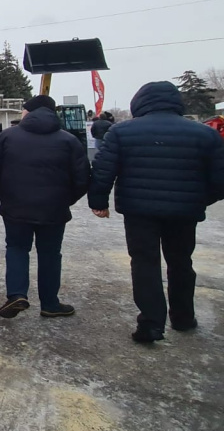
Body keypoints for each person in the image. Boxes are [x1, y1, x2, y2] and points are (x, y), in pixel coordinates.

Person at [88, 81, 224, 343]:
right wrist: (198, 200)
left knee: (144, 264)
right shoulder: (204, 134)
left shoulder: (122, 132)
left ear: (139, 103)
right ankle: (183, 317)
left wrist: (98, 201)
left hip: (139, 212)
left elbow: (103, 170)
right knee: (181, 262)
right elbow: (219, 180)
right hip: (184, 214)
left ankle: (151, 323)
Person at [0, 94, 90, 320]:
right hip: (54, 211)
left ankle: (16, 295)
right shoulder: (69, 140)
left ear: (29, 112)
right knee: (50, 254)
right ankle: (50, 303)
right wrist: (64, 199)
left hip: (16, 208)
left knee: (16, 249)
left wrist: (5, 195)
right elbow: (82, 178)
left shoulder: (7, 137)